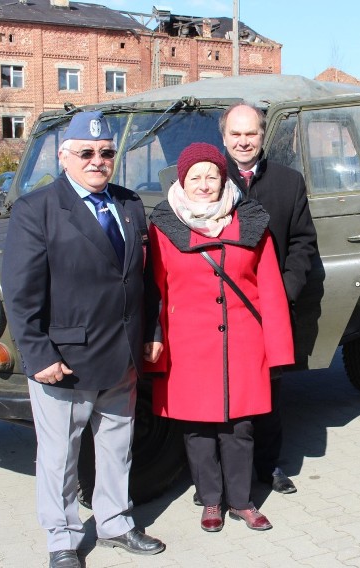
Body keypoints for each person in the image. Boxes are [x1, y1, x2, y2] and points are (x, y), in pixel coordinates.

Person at [2, 111, 165, 568]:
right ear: (64, 156)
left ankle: (115, 521)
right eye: (86, 152)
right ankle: (63, 539)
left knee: (117, 446)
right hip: (65, 361)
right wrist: (37, 355)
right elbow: (21, 291)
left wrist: (151, 331)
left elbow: (143, 280)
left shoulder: (129, 204)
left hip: (123, 354)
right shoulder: (37, 210)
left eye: (106, 152)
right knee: (60, 457)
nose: (97, 161)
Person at [144, 142, 295, 532]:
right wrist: (152, 338)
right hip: (187, 345)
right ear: (182, 180)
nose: (205, 184)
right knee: (196, 428)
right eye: (196, 176)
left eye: (212, 175)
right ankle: (210, 501)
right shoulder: (163, 225)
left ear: (223, 177)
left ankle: (242, 502)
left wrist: (277, 350)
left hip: (243, 342)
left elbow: (271, 289)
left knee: (239, 427)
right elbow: (153, 290)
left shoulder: (250, 220)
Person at [220, 102, 318, 494]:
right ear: (223, 137)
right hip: (221, 309)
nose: (244, 142)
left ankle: (268, 465)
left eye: (251, 134)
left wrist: (286, 290)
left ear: (263, 136)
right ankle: (217, 476)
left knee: (269, 394)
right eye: (236, 134)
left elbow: (302, 243)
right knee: (221, 393)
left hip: (269, 310)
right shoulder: (205, 179)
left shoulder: (288, 182)